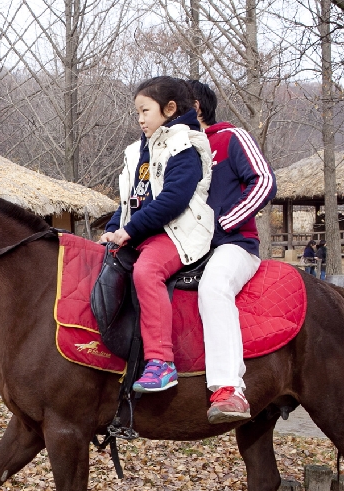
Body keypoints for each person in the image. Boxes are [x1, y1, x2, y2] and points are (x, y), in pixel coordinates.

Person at [98, 76, 214, 393]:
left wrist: (130, 230)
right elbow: (131, 199)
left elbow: (173, 200)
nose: (139, 118)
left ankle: (161, 362)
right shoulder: (141, 150)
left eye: (145, 110)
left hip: (178, 232)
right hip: (146, 231)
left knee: (147, 271)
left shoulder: (187, 145)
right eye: (137, 112)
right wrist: (113, 231)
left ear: (169, 108)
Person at [186, 80, 277, 423]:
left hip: (233, 245)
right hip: (184, 248)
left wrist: (223, 223)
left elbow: (264, 182)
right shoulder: (177, 150)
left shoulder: (231, 137)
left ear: (195, 106)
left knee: (214, 286)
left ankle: (228, 389)